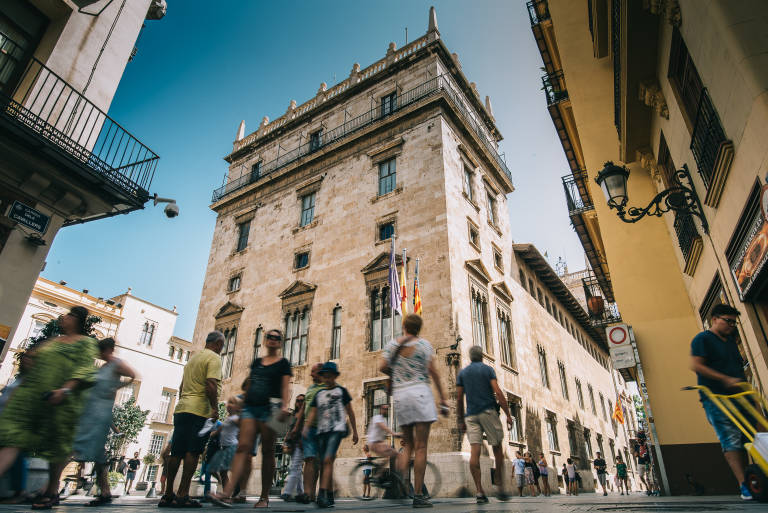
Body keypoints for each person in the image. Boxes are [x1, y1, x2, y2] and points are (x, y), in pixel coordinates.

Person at [0, 306, 98, 509]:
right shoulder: (52, 341)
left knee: (57, 447)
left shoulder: (86, 343)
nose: (64, 317)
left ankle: (52, 490)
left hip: (60, 400)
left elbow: (83, 369)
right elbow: (30, 362)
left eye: (70, 315)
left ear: (78, 320)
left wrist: (65, 390)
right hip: (31, 398)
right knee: (11, 439)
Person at [210, 328, 292, 509]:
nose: (272, 340)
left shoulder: (283, 364)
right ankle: (227, 492)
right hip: (251, 408)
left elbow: (286, 387)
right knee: (243, 448)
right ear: (265, 340)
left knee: (268, 452)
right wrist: (241, 405)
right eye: (269, 337)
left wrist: (285, 406)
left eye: (276, 338)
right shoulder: (257, 363)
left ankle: (264, 497)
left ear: (280, 343)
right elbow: (251, 386)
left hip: (271, 408)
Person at [380, 313, 448, 508]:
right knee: (421, 447)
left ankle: (399, 483)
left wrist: (397, 374)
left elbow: (383, 366)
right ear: (419, 328)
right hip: (420, 394)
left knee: (407, 445)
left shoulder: (392, 345)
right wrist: (443, 398)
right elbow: (433, 372)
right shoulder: (424, 345)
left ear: (404, 326)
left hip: (401, 396)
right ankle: (418, 494)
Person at [690, 303, 752, 500]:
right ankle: (744, 485)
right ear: (715, 319)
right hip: (716, 398)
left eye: (734, 323)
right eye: (728, 321)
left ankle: (757, 477)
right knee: (731, 438)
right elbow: (697, 365)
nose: (731, 325)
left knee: (754, 435)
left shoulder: (730, 341)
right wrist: (724, 379)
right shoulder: (703, 339)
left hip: (741, 396)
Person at [159, 331, 223, 508]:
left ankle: (168, 493)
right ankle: (183, 493)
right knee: (193, 452)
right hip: (199, 411)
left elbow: (181, 386)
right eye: (222, 345)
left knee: (176, 452)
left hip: (183, 409)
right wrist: (214, 408)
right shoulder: (214, 358)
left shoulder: (192, 359)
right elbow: (211, 384)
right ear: (218, 344)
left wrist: (184, 402)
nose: (221, 349)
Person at [72, 337, 136, 506]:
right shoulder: (104, 366)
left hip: (100, 414)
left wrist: (117, 387)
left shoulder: (116, 364)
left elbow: (132, 375)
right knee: (98, 455)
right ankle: (105, 491)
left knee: (81, 449)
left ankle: (51, 489)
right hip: (95, 413)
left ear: (106, 350)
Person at [456, 345, 512, 503]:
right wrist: (508, 414)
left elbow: (459, 398)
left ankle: (480, 492)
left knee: (475, 451)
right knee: (497, 448)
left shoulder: (463, 373)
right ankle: (500, 487)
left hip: (471, 416)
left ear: (470, 357)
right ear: (481, 356)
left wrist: (461, 419)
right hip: (488, 412)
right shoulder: (488, 370)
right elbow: (498, 392)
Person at [304, 361, 359, 508]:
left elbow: (351, 412)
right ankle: (329, 494)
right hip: (322, 431)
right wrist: (306, 427)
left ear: (335, 376)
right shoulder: (319, 394)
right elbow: (312, 412)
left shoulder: (341, 391)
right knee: (323, 462)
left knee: (327, 460)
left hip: (337, 429)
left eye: (330, 377)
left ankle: (321, 493)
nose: (327, 379)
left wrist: (355, 431)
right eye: (325, 377)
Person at [288, 363, 324, 504]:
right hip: (309, 428)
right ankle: (308, 493)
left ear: (320, 372)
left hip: (322, 428)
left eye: (313, 371)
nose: (310, 374)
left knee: (318, 462)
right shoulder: (310, 389)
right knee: (309, 459)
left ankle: (316, 492)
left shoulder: (326, 387)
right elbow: (303, 409)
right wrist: (297, 426)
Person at [207, 397, 242, 490]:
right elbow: (218, 431)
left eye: (232, 403)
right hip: (224, 448)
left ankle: (235, 488)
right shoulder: (227, 419)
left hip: (232, 447)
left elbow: (242, 427)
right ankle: (228, 492)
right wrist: (208, 435)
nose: (229, 405)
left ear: (238, 407)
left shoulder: (235, 418)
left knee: (228, 470)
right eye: (228, 403)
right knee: (223, 472)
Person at [280, 394, 306, 501]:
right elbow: (290, 429)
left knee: (295, 467)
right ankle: (301, 492)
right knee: (297, 468)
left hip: (301, 442)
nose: (299, 403)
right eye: (298, 401)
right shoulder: (295, 414)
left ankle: (287, 492)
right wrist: (285, 440)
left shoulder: (306, 414)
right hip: (293, 443)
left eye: (302, 401)